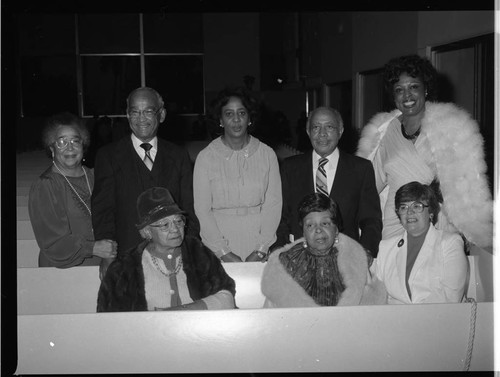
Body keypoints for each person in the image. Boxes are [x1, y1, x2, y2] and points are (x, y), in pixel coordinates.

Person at [356, 54, 493, 249]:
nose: (407, 96)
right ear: (393, 96)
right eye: (399, 90)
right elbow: (369, 185)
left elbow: (469, 187)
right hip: (395, 223)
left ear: (426, 89)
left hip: (437, 222)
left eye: (413, 87)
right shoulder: (385, 132)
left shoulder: (451, 128)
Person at [91, 87, 200, 278]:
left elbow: (188, 206)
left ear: (162, 114)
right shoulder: (108, 156)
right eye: (135, 111)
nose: (141, 118)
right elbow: (103, 209)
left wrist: (190, 249)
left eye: (148, 111)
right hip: (127, 255)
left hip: (173, 255)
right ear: (127, 115)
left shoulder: (178, 155)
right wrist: (108, 255)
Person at [97, 187, 236, 312]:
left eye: (178, 221)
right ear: (147, 232)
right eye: (165, 225)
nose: (175, 229)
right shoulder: (124, 268)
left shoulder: (197, 253)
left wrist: (178, 311)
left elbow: (226, 297)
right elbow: (110, 318)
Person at [276, 106, 382, 257]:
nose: (322, 134)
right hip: (300, 258)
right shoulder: (290, 168)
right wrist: (281, 251)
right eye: (316, 127)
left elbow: (371, 219)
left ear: (340, 131)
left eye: (329, 127)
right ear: (308, 132)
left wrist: (366, 253)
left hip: (346, 258)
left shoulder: (360, 169)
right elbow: (282, 217)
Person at [193, 86, 282, 262]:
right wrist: (223, 251)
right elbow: (202, 210)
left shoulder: (267, 154)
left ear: (249, 118)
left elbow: (273, 204)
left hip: (258, 242)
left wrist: (261, 249)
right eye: (229, 114)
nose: (236, 120)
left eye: (241, 113)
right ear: (220, 119)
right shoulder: (205, 157)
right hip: (218, 243)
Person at [261, 193, 386, 308]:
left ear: (336, 229)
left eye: (325, 224)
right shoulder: (286, 263)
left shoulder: (353, 260)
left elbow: (370, 312)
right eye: (310, 225)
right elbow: (273, 316)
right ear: (303, 231)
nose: (318, 230)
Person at [28, 112, 117, 268]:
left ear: (83, 145)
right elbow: (53, 242)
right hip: (64, 269)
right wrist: (93, 247)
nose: (70, 147)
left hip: (104, 263)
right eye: (62, 141)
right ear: (52, 148)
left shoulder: (96, 176)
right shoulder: (46, 185)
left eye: (75, 141)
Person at [374, 182, 468, 304]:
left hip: (439, 320)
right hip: (394, 321)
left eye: (417, 206)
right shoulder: (386, 247)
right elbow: (379, 298)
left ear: (431, 212)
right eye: (403, 207)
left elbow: (451, 299)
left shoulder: (450, 243)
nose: (409, 212)